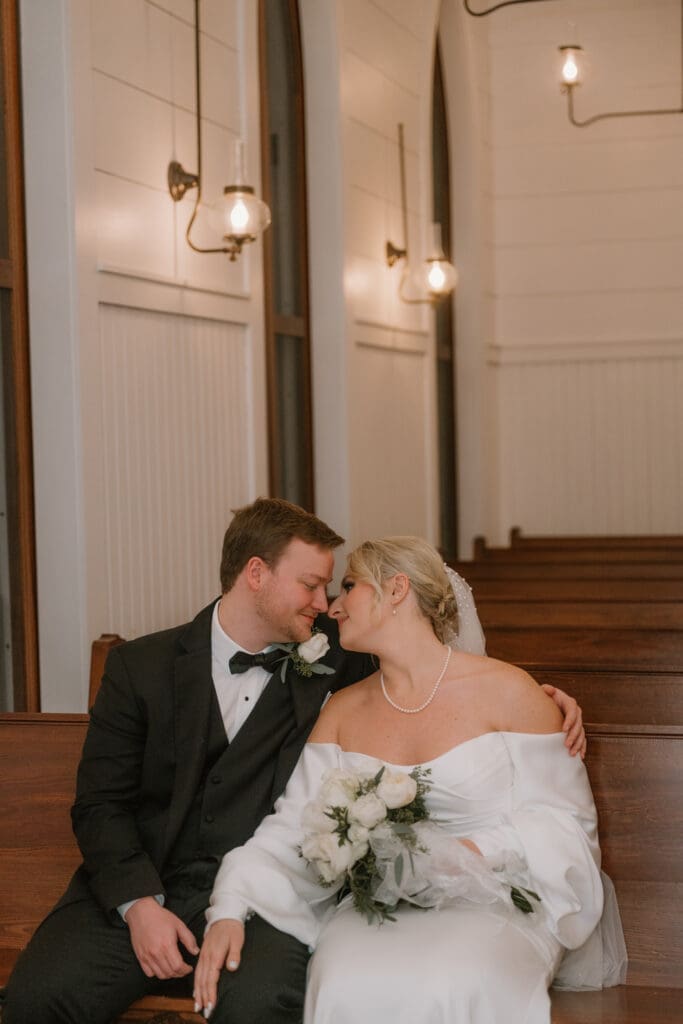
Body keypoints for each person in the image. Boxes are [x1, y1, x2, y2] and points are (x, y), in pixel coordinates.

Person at [2, 503, 584, 1024]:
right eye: (310, 584)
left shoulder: (340, 654)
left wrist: (548, 701)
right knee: (35, 1000)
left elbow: (430, 680)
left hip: (267, 898)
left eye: (334, 587)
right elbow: (100, 805)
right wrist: (139, 907)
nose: (325, 603)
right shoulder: (140, 668)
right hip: (142, 890)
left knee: (261, 1006)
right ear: (256, 573)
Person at [195, 536, 625, 1023]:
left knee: (450, 978)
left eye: (349, 586)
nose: (332, 608)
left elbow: (566, 826)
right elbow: (293, 826)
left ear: (396, 589)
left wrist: (470, 853)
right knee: (342, 977)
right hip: (379, 908)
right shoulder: (340, 709)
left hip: (500, 899)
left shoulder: (509, 692)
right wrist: (232, 903)